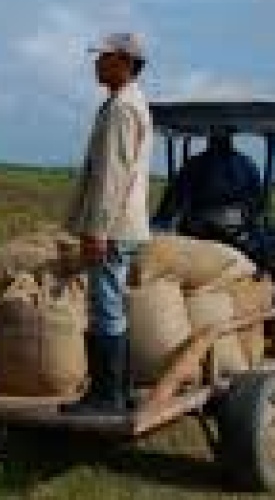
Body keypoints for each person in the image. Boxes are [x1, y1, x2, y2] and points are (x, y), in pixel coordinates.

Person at [64, 32, 153, 414]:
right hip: (123, 223)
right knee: (112, 304)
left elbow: (112, 176)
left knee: (105, 307)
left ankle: (106, 397)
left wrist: (97, 228)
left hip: (113, 226)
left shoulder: (121, 109)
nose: (96, 64)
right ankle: (122, 390)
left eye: (103, 57)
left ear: (125, 62)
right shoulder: (124, 103)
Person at [153, 126, 263, 244]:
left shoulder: (194, 164)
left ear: (210, 138)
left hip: (201, 228)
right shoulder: (248, 165)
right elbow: (257, 203)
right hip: (237, 227)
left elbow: (174, 198)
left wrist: (160, 220)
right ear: (230, 137)